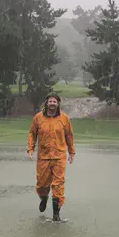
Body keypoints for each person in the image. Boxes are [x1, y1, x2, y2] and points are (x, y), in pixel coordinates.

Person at [27, 92, 76, 221]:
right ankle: (43, 198)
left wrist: (71, 152)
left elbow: (69, 136)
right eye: (50, 101)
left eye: (55, 101)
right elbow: (32, 133)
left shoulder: (64, 118)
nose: (52, 104)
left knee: (58, 184)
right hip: (43, 157)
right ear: (46, 103)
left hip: (59, 156)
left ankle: (56, 215)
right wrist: (31, 148)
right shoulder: (38, 118)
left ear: (58, 103)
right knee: (42, 184)